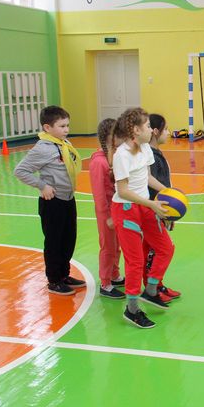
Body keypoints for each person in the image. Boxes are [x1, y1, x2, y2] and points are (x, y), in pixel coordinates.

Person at [111, 107, 174, 329]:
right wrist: (151, 204)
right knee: (135, 260)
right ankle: (132, 309)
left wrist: (168, 192)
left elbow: (146, 178)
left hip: (145, 205)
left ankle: (151, 290)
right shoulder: (121, 155)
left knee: (165, 247)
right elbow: (123, 191)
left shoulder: (145, 148)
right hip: (126, 208)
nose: (150, 129)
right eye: (147, 126)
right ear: (136, 130)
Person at [14, 106, 84, 295]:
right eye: (62, 126)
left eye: (67, 125)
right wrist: (42, 185)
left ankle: (64, 274)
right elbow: (20, 171)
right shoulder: (43, 148)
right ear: (47, 127)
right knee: (54, 242)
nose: (67, 129)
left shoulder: (63, 143)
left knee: (68, 239)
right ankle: (54, 280)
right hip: (53, 202)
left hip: (68, 198)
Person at [144, 113, 181, 301]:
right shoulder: (148, 154)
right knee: (162, 249)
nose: (168, 132)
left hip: (160, 208)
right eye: (166, 129)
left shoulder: (156, 153)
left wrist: (170, 210)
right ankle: (151, 288)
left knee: (153, 250)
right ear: (155, 131)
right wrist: (168, 194)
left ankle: (157, 285)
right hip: (152, 208)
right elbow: (149, 181)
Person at [90, 118, 125, 298]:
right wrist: (108, 216)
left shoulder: (113, 157)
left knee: (117, 245)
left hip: (116, 210)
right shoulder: (99, 162)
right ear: (109, 137)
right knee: (108, 247)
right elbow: (99, 194)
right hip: (107, 213)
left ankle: (114, 274)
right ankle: (105, 283)